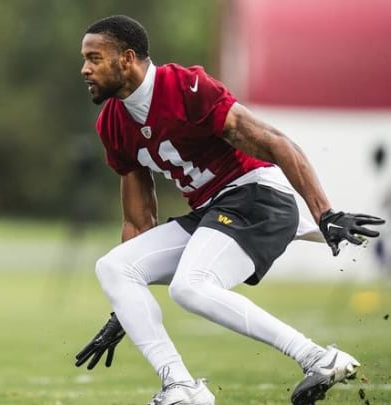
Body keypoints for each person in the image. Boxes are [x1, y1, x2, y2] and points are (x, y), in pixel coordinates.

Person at [73, 15, 384, 405]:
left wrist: (325, 212)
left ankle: (318, 358)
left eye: (94, 58)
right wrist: (126, 307)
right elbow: (138, 221)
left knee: (191, 286)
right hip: (212, 208)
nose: (84, 69)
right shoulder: (113, 124)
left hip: (256, 195)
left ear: (127, 59)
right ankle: (181, 387)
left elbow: (274, 142)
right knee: (114, 267)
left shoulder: (184, 87)